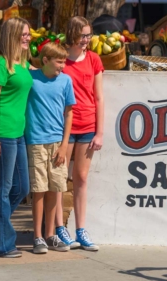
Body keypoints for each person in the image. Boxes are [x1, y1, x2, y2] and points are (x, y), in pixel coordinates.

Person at [0, 17, 33, 258]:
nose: (28, 37)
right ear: (11, 35)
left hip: (18, 133)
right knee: (3, 189)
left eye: (28, 34)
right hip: (1, 134)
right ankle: (1, 244)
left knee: (21, 188)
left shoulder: (21, 63)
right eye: (23, 34)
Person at [55, 16, 104, 251]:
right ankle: (58, 227)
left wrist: (99, 131)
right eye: (82, 35)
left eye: (89, 35)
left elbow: (99, 96)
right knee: (59, 177)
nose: (86, 40)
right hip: (64, 125)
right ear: (72, 34)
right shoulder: (61, 58)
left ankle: (81, 229)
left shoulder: (94, 59)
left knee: (81, 178)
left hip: (87, 125)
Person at [24, 42, 76, 254]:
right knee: (39, 189)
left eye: (64, 62)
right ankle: (37, 236)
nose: (63, 66)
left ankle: (50, 234)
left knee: (56, 188)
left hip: (57, 142)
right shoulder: (31, 79)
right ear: (45, 60)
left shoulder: (65, 81)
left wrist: (65, 145)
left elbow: (69, 112)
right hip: (36, 141)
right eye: (59, 61)